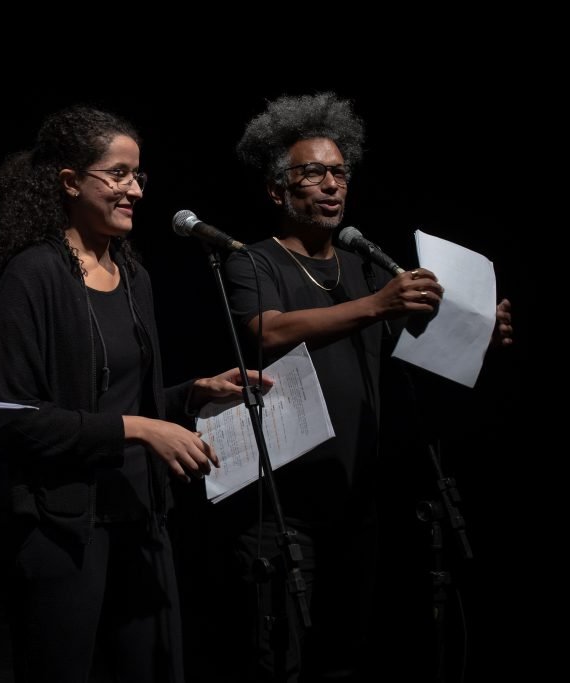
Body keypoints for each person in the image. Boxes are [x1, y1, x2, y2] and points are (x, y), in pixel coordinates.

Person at [217, 92, 514, 682]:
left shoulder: (365, 264)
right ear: (279, 191)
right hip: (279, 504)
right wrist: (376, 304)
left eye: (339, 172)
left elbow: (425, 348)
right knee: (279, 662)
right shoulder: (252, 263)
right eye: (313, 173)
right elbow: (265, 333)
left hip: (355, 500)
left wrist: (480, 329)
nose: (331, 184)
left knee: (344, 659)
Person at [0, 104, 271, 683]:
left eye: (138, 175)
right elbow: (17, 420)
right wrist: (141, 429)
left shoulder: (134, 275)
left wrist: (191, 394)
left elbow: (118, 402)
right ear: (69, 182)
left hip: (141, 516)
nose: (134, 189)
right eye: (118, 174)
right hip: (65, 528)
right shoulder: (33, 276)